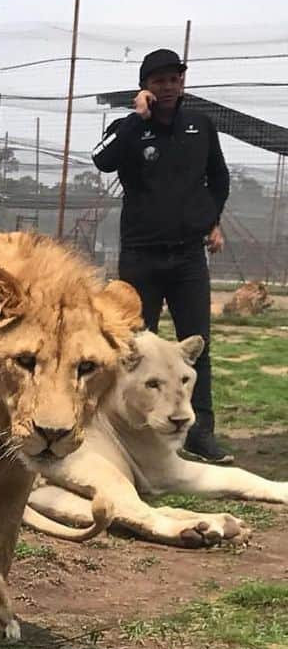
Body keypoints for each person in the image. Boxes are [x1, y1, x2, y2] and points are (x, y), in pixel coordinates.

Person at [93, 47, 232, 464]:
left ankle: (200, 432)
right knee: (134, 348)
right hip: (140, 257)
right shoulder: (129, 127)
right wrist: (137, 118)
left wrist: (210, 219)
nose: (168, 86)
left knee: (196, 344)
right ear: (145, 87)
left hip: (188, 258)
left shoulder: (200, 125)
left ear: (182, 83)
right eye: (159, 80)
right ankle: (130, 427)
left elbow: (218, 177)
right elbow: (102, 159)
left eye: (175, 79)